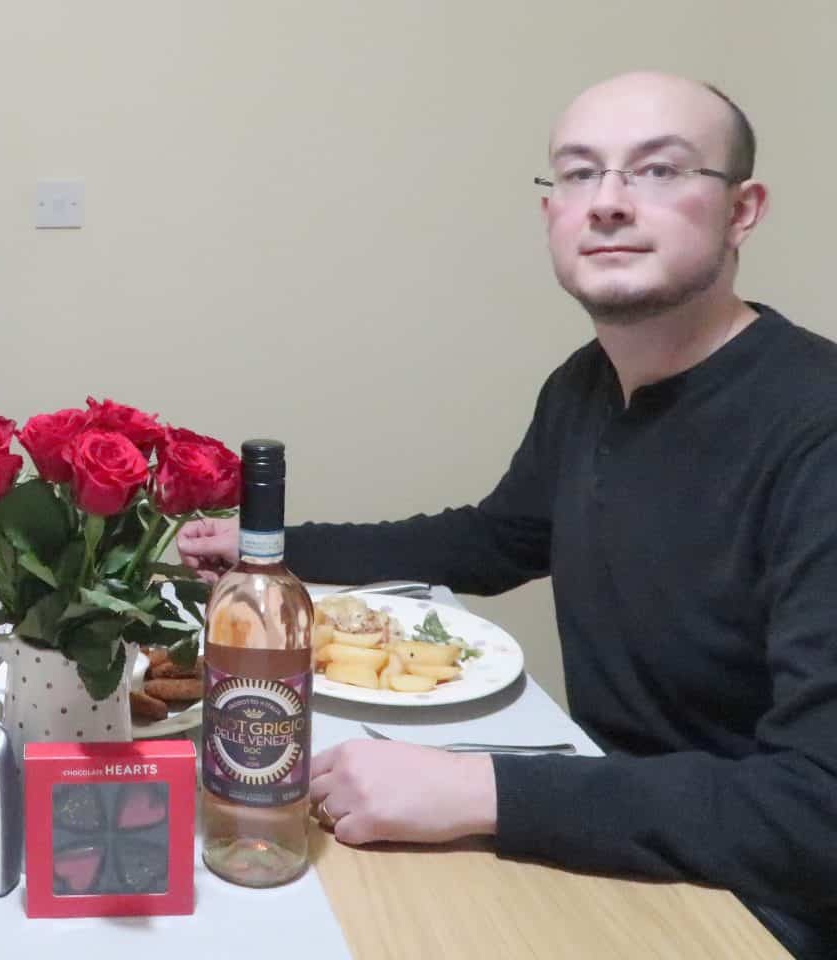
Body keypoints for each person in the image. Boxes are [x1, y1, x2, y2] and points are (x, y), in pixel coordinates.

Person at [180, 72, 837, 956]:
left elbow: (816, 811)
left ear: (742, 209)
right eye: (578, 173)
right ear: (550, 214)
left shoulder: (814, 429)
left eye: (657, 170)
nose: (607, 203)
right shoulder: (586, 387)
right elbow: (493, 541)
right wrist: (267, 551)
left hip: (754, 900)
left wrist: (478, 794)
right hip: (614, 821)